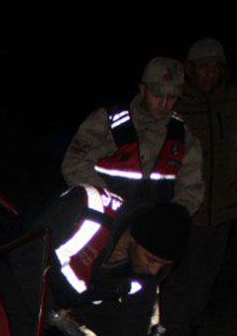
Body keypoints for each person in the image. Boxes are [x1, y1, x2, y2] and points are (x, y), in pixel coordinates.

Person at [18, 186, 190, 336]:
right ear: (133, 236)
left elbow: (135, 321)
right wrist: (48, 318)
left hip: (84, 294)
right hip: (29, 277)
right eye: (151, 259)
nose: (154, 270)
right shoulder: (88, 216)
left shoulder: (151, 267)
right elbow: (25, 257)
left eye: (163, 264)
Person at [158, 38, 237, 336]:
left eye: (215, 67)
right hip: (185, 207)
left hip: (223, 206)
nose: (210, 73)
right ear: (190, 69)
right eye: (203, 67)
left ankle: (190, 330)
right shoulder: (177, 102)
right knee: (177, 274)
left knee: (206, 273)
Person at [62, 57, 204, 218]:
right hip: (105, 219)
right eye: (157, 95)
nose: (164, 103)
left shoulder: (182, 134)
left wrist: (173, 215)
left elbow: (192, 187)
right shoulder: (108, 121)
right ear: (143, 90)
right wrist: (107, 202)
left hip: (152, 226)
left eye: (171, 97)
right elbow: (73, 163)